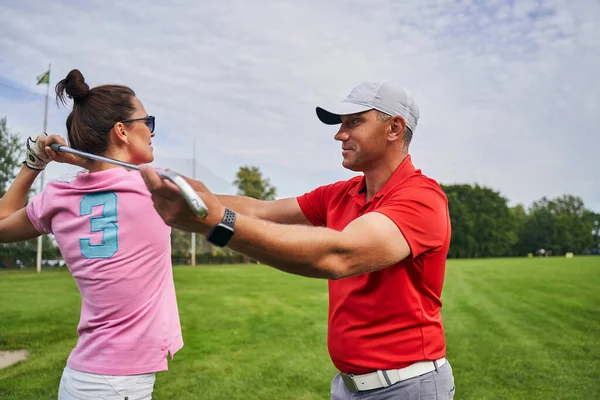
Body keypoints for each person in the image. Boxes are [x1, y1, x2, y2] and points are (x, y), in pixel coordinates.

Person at [140, 81, 456, 399]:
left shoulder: (421, 197)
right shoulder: (341, 194)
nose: (340, 134)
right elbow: (260, 210)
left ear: (394, 128)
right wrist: (179, 192)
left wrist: (215, 223)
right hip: (348, 386)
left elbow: (339, 256)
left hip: (407, 388)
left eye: (354, 122)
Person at [0, 69, 183, 400]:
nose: (152, 132)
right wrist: (77, 158)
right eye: (148, 121)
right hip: (121, 384)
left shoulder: (56, 198)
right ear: (122, 131)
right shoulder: (155, 187)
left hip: (80, 378)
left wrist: (35, 162)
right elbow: (121, 177)